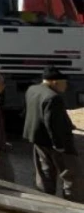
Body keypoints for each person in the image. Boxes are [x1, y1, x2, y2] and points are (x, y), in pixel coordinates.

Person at [23, 66, 80, 201]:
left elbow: (34, 112)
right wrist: (61, 147)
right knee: (72, 175)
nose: (66, 86)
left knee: (45, 172)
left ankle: (46, 201)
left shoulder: (32, 89)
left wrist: (68, 124)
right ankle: (74, 203)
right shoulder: (53, 97)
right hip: (54, 143)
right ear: (54, 82)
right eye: (64, 83)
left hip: (37, 138)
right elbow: (53, 125)